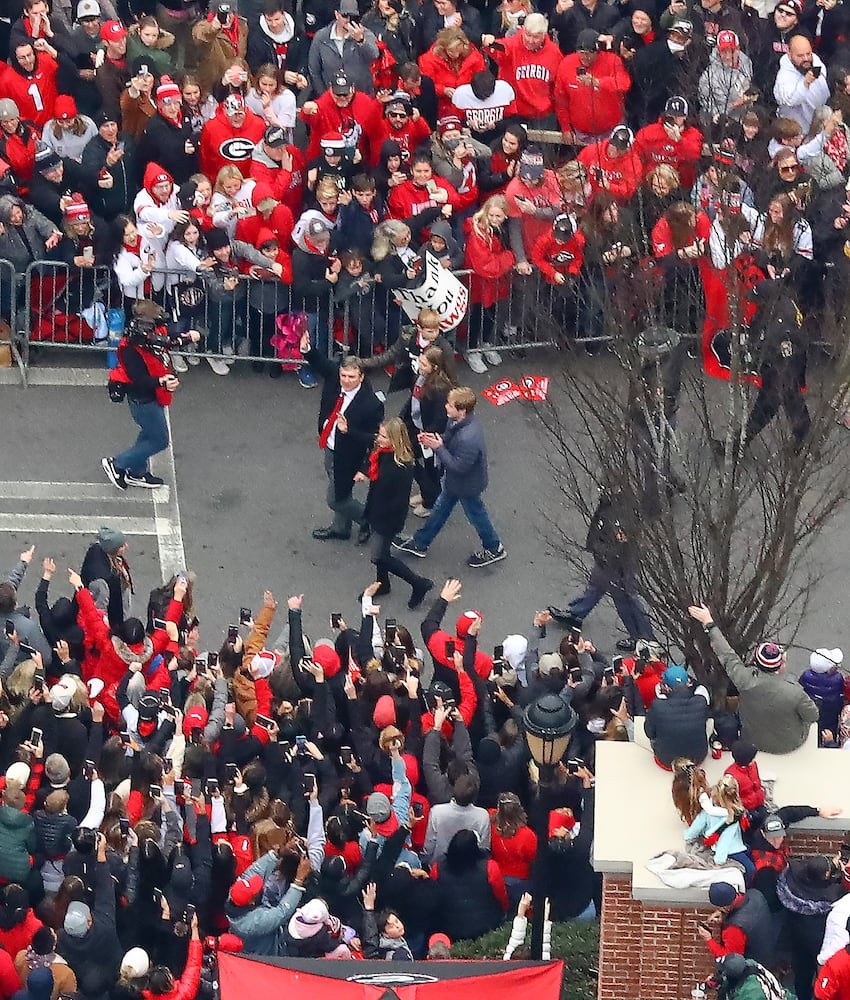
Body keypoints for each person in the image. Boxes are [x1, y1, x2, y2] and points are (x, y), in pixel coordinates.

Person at [394, 386, 507, 568]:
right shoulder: (456, 422)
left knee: (476, 515)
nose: (446, 407)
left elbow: (457, 467)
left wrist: (438, 447)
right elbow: (448, 436)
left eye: (450, 405)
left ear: (461, 410)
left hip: (466, 485)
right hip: (457, 483)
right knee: (440, 510)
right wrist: (435, 440)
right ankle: (421, 542)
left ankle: (494, 547)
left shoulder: (468, 438)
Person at [688, 603, 819, 753]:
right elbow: (813, 716)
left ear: (756, 662)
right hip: (789, 745)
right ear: (780, 665)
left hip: (753, 740)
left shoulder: (744, 679)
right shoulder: (795, 693)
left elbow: (726, 653)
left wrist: (709, 623)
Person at [102, 300, 199, 491]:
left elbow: (168, 338)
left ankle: (137, 472)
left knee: (149, 433)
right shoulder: (130, 348)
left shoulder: (153, 334)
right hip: (142, 399)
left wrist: (185, 337)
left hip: (154, 395)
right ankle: (118, 464)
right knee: (159, 440)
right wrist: (162, 381)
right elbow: (138, 379)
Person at [299, 329, 384, 543]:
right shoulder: (335, 377)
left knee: (337, 499)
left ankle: (369, 520)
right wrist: (306, 349)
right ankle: (341, 528)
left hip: (348, 455)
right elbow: (321, 363)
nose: (346, 381)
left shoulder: (370, 404)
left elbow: (374, 439)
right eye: (343, 376)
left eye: (351, 377)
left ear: (361, 377)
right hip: (330, 446)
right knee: (339, 490)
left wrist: (363, 466)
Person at [549, 490, 656, 653]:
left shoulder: (621, 511)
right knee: (597, 584)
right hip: (608, 559)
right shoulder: (616, 503)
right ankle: (576, 614)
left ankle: (643, 639)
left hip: (616, 562)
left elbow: (627, 539)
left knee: (627, 600)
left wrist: (609, 552)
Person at [357, 417, 434, 609]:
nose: (378, 439)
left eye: (383, 436)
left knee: (379, 556)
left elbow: (398, 502)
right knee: (381, 553)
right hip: (378, 513)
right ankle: (383, 583)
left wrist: (381, 520)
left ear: (394, 439)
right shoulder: (385, 454)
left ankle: (418, 583)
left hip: (386, 519)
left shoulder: (400, 468)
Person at [644, 665, 711, 769]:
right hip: (697, 758)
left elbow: (649, 733)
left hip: (667, 761)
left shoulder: (657, 705)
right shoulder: (701, 701)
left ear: (667, 687)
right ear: (688, 682)